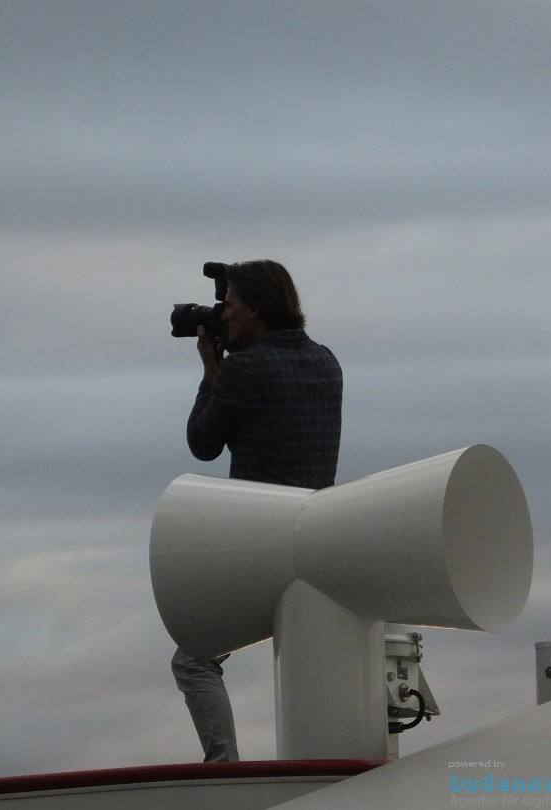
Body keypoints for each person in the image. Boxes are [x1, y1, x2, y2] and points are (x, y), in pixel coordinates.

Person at [172, 259, 343, 762]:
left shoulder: (243, 369)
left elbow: (202, 443)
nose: (223, 316)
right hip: (318, 541)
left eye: (230, 306)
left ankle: (223, 769)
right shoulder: (327, 362)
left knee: (194, 660)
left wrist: (211, 369)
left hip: (257, 544)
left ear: (256, 310)